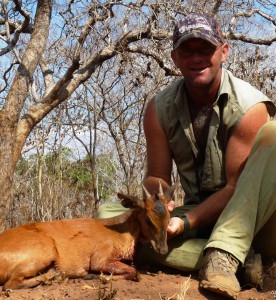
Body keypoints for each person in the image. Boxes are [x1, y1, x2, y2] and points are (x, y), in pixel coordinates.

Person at [97, 13, 276, 299]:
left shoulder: (250, 107)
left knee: (275, 133)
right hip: (200, 217)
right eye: (187, 51)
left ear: (224, 52)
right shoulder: (159, 109)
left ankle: (225, 255)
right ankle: (243, 266)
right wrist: (159, 205)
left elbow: (234, 190)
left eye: (205, 49)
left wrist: (187, 221)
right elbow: (157, 176)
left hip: (252, 218)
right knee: (109, 218)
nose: (196, 59)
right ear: (174, 57)